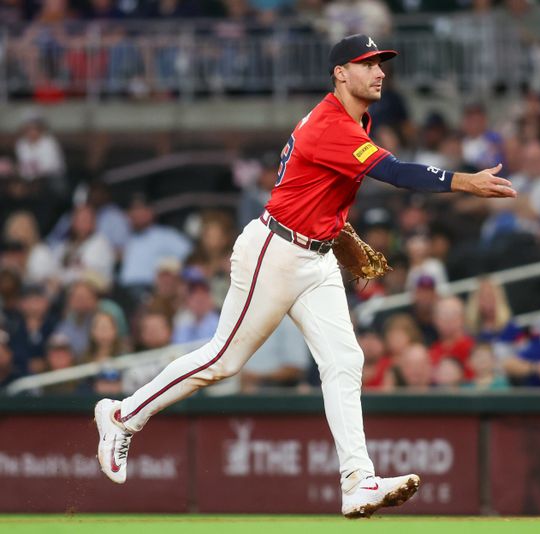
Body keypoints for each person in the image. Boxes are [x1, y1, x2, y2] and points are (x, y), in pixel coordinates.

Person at [94, 34, 516, 519]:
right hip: (275, 251)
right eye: (368, 64)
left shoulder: (355, 119)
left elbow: (319, 189)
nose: (380, 72)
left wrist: (333, 228)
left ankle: (357, 481)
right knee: (223, 361)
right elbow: (397, 174)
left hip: (315, 256)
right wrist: (466, 181)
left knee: (345, 360)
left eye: (382, 64)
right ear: (340, 73)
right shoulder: (330, 124)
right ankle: (123, 416)